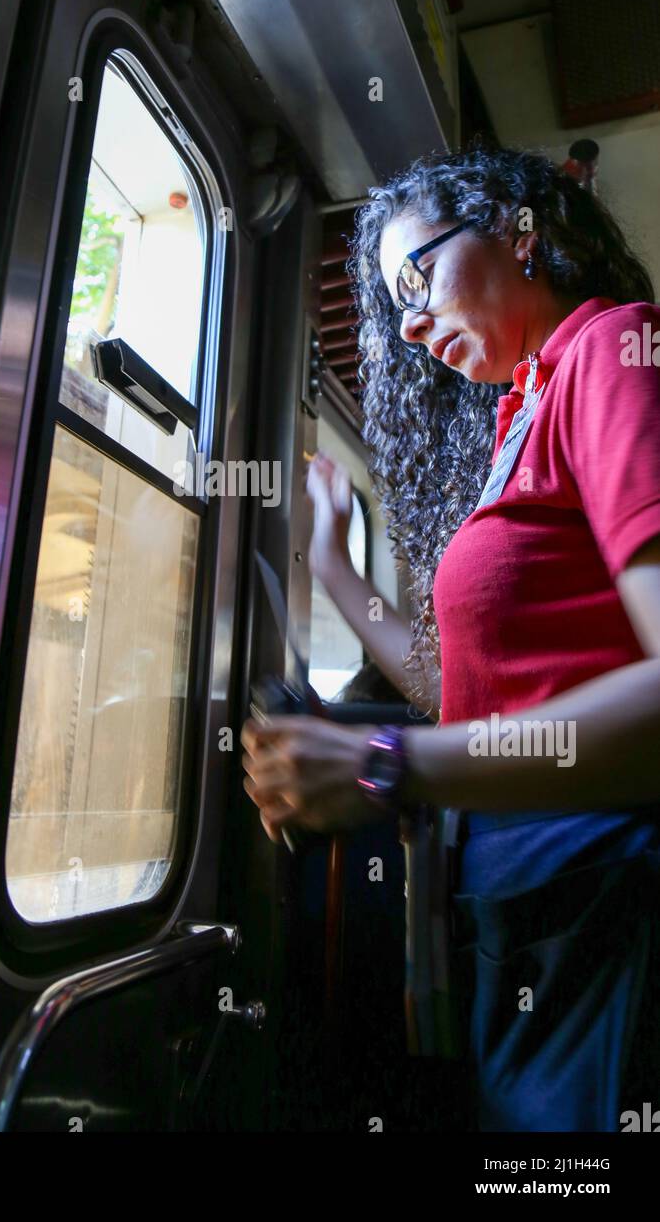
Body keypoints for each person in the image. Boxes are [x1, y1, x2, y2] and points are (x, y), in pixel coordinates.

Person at [241, 145, 660, 1132]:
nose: (411, 321)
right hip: (524, 906)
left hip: (600, 892)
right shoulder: (523, 409)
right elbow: (462, 691)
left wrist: (388, 764)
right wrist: (335, 567)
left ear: (519, 231)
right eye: (395, 305)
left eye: (416, 275)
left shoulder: (610, 350)